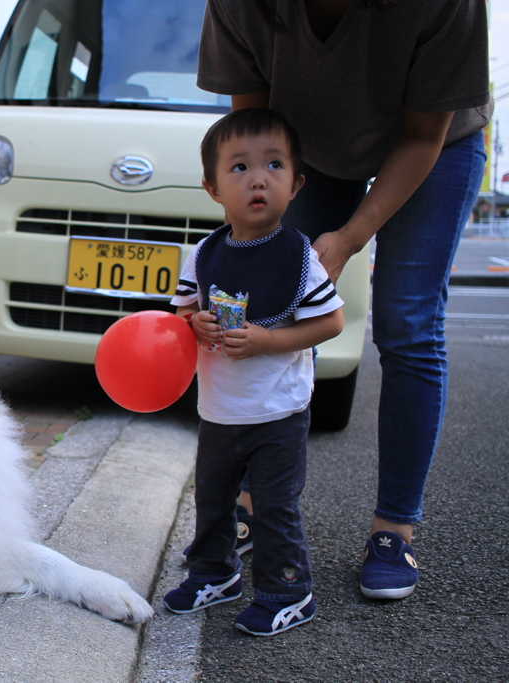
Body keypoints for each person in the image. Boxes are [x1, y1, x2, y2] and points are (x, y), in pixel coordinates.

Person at [197, 0, 491, 600]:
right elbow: (252, 137)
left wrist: (351, 238)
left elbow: (421, 133)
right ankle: (257, 500)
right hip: (305, 151)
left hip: (432, 148)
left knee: (406, 322)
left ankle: (394, 528)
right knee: (265, 303)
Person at [163, 108, 344, 636]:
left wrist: (268, 340)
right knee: (213, 497)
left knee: (273, 506)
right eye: (239, 168)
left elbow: (330, 322)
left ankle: (289, 590)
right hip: (219, 408)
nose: (258, 177)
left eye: (273, 165)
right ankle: (215, 572)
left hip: (278, 410)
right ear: (213, 188)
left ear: (296, 184)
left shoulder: (299, 257)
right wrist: (194, 322)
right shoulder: (203, 255)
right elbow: (181, 315)